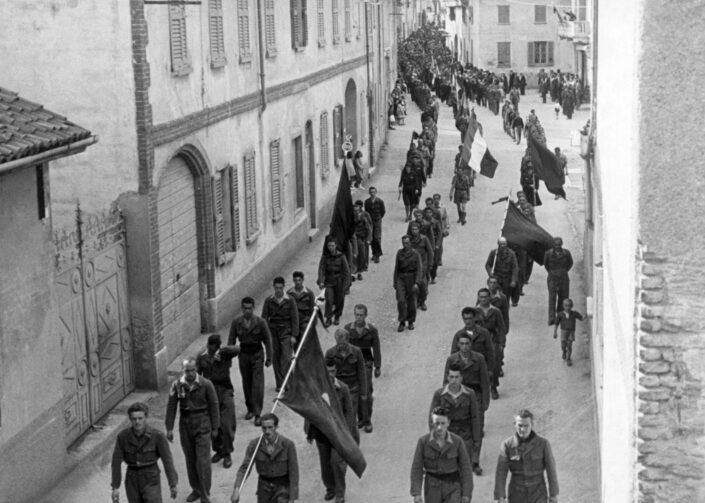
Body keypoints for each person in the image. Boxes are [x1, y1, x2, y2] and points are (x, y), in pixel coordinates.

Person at [165, 358, 220, 503]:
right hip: (185, 424)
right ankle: (196, 489)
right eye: (186, 370)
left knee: (203, 461)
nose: (189, 373)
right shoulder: (177, 385)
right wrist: (169, 428)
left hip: (202, 423)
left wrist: (215, 427)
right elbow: (171, 407)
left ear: (196, 369)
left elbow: (214, 405)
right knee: (190, 459)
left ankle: (205, 493)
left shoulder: (206, 384)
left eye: (192, 370)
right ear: (182, 370)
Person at [306, 363, 356, 503]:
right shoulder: (317, 389)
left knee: (337, 463)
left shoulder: (343, 388)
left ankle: (340, 493)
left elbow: (349, 411)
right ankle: (330, 488)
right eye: (328, 371)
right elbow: (310, 411)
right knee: (325, 463)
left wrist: (347, 431)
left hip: (338, 434)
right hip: (322, 433)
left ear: (336, 371)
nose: (330, 374)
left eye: (333, 371)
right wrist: (309, 432)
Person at [111, 402, 178, 503]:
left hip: (151, 477)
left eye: (140, 418)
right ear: (130, 419)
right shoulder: (123, 437)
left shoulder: (157, 436)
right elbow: (116, 463)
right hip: (132, 479)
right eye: (134, 419)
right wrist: (115, 487)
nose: (137, 422)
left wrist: (173, 484)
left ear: (146, 417)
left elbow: (167, 461)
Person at [444, 333, 490, 476]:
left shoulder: (479, 359)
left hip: (475, 396)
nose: (464, 347)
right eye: (461, 343)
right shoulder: (452, 359)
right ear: (458, 344)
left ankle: (474, 461)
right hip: (457, 397)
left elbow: (484, 381)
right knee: (455, 429)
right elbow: (446, 381)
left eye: (467, 343)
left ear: (471, 344)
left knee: (477, 429)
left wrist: (485, 401)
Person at [410, 406, 474, 503]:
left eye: (443, 423)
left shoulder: (457, 442)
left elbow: (466, 468)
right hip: (432, 488)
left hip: (453, 487)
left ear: (448, 422)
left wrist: (466, 493)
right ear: (432, 423)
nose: (439, 427)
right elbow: (417, 468)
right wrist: (416, 493)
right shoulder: (423, 442)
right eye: (437, 423)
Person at [493, 409, 558, 503]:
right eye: (520, 425)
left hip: (538, 494)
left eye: (526, 425)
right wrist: (500, 497)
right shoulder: (507, 445)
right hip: (516, 494)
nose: (523, 429)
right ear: (514, 425)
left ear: (532, 425)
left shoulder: (543, 444)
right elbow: (501, 472)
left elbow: (551, 470)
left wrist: (553, 495)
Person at [231, 413, 299, 503]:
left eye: (270, 427)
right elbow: (244, 469)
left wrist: (292, 498)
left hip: (282, 488)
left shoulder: (288, 445)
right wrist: (236, 489)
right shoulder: (254, 445)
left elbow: (294, 472)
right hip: (264, 488)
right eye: (264, 428)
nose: (267, 431)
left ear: (276, 427)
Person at [228, 296, 273, 426]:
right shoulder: (236, 322)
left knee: (257, 385)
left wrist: (269, 357)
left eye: (250, 308)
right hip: (244, 356)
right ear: (242, 309)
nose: (247, 311)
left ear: (253, 308)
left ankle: (258, 413)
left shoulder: (260, 322)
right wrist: (228, 359)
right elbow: (231, 341)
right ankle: (250, 409)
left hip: (257, 355)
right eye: (245, 308)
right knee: (247, 383)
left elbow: (267, 340)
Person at [196, 334, 239, 468]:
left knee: (227, 424)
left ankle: (227, 453)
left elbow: (238, 349)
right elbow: (197, 376)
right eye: (210, 347)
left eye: (215, 348)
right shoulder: (202, 358)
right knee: (214, 425)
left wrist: (223, 351)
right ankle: (218, 450)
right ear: (208, 345)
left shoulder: (225, 354)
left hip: (225, 391)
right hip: (210, 394)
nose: (212, 350)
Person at [429, 366, 482, 472]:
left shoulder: (469, 394)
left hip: (465, 433)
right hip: (447, 432)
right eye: (451, 377)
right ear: (447, 378)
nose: (454, 380)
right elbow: (432, 419)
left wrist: (476, 439)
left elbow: (475, 418)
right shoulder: (439, 395)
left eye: (456, 377)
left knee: (464, 468)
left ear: (461, 378)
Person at [344, 304, 381, 432]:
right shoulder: (348, 329)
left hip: (366, 363)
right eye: (356, 315)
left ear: (366, 315)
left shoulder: (371, 330)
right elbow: (345, 348)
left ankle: (367, 420)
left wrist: (377, 366)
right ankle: (359, 419)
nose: (358, 317)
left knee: (367, 393)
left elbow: (376, 348)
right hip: (353, 364)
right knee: (355, 392)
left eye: (361, 315)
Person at [261, 277, 299, 392]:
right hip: (273, 332)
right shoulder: (269, 300)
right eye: (276, 288)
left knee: (286, 358)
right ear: (274, 287)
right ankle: (280, 384)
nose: (278, 290)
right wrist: (265, 335)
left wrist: (294, 335)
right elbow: (264, 319)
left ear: (284, 287)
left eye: (280, 288)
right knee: (276, 358)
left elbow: (295, 318)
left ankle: (288, 382)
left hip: (286, 332)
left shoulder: (290, 300)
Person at [325, 328, 368, 429]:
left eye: (343, 343)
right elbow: (325, 372)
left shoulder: (356, 352)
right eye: (338, 343)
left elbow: (362, 372)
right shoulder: (330, 353)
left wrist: (364, 393)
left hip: (353, 388)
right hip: (338, 388)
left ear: (348, 340)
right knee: (338, 414)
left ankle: (350, 435)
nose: (340, 345)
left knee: (351, 414)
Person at [476, 289, 507, 400]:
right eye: (481, 297)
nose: (483, 299)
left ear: (489, 298)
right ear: (478, 298)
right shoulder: (475, 311)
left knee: (494, 366)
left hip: (493, 340)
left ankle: (493, 387)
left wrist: (502, 343)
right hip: (479, 342)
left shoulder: (495, 311)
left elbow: (502, 328)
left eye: (485, 297)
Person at [393, 234, 424, 332]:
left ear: (410, 243)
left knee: (412, 302)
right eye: (403, 243)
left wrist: (417, 283)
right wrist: (395, 281)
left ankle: (410, 321)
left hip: (412, 278)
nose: (405, 245)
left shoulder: (415, 254)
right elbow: (396, 268)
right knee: (401, 301)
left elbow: (419, 269)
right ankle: (402, 321)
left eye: (407, 243)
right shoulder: (399, 253)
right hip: (401, 278)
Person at [318, 238, 351, 326]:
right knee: (329, 299)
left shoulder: (341, 256)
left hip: (339, 281)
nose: (330, 248)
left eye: (332, 245)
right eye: (329, 246)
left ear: (335, 246)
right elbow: (321, 269)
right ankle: (328, 318)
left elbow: (347, 271)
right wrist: (321, 281)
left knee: (340, 299)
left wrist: (347, 284)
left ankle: (337, 316)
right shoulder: (325, 256)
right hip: (329, 281)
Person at [543, 237, 573, 325]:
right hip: (552, 278)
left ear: (562, 245)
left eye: (559, 245)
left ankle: (560, 316)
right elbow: (546, 265)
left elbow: (570, 263)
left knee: (563, 297)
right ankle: (552, 318)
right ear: (553, 245)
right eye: (556, 245)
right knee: (552, 298)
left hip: (564, 279)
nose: (557, 247)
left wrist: (563, 271)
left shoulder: (566, 253)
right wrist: (553, 272)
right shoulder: (548, 254)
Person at [408, 221, 434, 312]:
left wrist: (430, 265)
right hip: (412, 266)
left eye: (416, 229)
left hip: (423, 266)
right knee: (412, 285)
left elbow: (430, 252)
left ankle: (422, 301)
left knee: (423, 285)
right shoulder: (408, 240)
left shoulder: (424, 239)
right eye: (412, 229)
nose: (414, 231)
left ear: (419, 230)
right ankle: (414, 301)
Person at [287, 271, 317, 348]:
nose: (297, 282)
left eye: (299, 280)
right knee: (294, 343)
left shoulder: (309, 293)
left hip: (305, 321)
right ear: (293, 281)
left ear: (302, 280)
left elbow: (313, 309)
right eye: (296, 280)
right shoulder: (289, 293)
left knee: (305, 343)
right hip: (293, 322)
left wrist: (313, 324)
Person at [553, 298, 584, 366]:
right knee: (563, 345)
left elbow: (582, 318)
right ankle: (564, 351)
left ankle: (568, 359)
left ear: (571, 306)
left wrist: (587, 315)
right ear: (563, 306)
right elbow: (556, 323)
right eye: (566, 306)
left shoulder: (574, 313)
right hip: (564, 332)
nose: (568, 307)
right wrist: (555, 332)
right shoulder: (560, 314)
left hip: (571, 332)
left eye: (569, 306)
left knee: (569, 345)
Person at [364, 186, 386, 263]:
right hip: (370, 221)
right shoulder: (367, 202)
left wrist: (379, 218)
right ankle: (374, 253)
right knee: (371, 237)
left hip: (377, 221)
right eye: (371, 192)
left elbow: (383, 211)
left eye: (373, 192)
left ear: (376, 192)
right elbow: (366, 212)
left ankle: (377, 255)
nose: (372, 193)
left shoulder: (380, 201)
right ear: (369, 193)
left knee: (377, 237)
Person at [352, 201, 372, 281]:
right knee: (353, 255)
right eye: (354, 211)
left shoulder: (363, 218)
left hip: (360, 238)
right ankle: (353, 272)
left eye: (357, 210)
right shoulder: (351, 219)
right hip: (353, 239)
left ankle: (360, 272)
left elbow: (368, 229)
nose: (355, 212)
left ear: (360, 210)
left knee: (361, 255)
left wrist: (368, 239)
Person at [432, 193, 451, 266]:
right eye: (434, 198)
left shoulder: (442, 208)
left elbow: (446, 217)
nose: (436, 200)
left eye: (437, 198)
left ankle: (439, 259)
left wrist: (447, 227)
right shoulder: (430, 208)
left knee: (439, 244)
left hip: (440, 228)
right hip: (432, 228)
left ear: (439, 199)